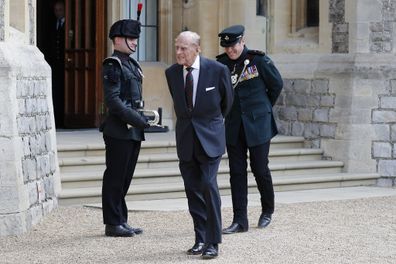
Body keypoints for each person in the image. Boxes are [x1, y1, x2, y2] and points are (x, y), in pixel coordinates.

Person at [165, 31, 233, 259]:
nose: (178, 52)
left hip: (210, 139)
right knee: (193, 191)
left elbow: (227, 103)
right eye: (177, 47)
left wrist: (211, 125)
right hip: (186, 140)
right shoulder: (171, 73)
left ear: (197, 48)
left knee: (207, 185)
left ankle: (213, 241)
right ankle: (200, 238)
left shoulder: (217, 70)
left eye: (183, 48)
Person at [216, 25, 283, 234]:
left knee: (260, 168)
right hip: (234, 126)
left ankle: (267, 210)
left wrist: (263, 109)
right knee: (236, 173)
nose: (230, 50)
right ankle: (240, 220)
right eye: (227, 47)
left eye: (233, 45)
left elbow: (276, 85)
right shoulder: (222, 65)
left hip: (258, 125)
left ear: (242, 41)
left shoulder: (258, 61)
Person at [100, 19, 150, 237]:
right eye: (131, 38)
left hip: (133, 129)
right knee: (115, 176)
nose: (135, 43)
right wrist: (137, 119)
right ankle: (112, 223)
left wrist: (142, 120)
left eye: (136, 39)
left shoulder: (131, 64)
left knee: (125, 177)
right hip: (119, 129)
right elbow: (113, 100)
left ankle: (121, 219)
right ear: (117, 40)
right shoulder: (113, 64)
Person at [48, 0, 65, 128]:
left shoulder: (71, 24)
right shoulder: (52, 25)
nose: (58, 13)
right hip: (56, 65)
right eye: (56, 10)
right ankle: (57, 120)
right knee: (56, 92)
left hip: (67, 65)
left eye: (60, 10)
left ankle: (65, 120)